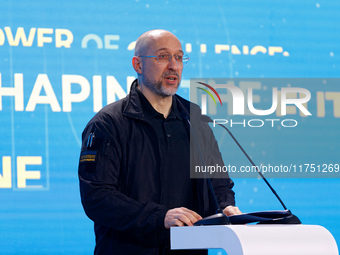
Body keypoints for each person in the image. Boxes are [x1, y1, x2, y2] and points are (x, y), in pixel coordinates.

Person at [78, 29, 241, 255]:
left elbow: (218, 181)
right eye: (163, 56)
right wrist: (160, 217)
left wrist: (226, 206)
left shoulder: (194, 119)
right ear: (138, 65)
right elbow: (97, 197)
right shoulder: (109, 123)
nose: (173, 65)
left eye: (179, 57)